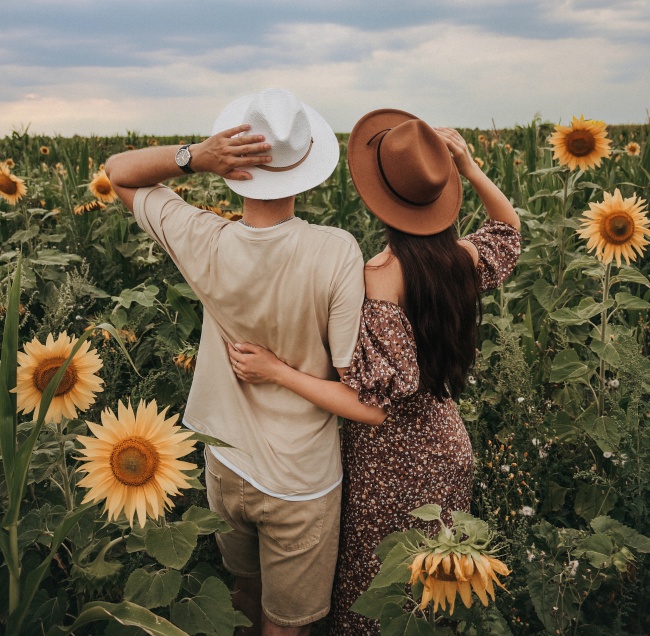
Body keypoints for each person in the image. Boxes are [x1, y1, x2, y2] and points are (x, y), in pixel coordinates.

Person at [227, 110, 522, 635]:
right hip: (447, 448)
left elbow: (373, 408)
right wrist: (472, 169)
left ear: (376, 199)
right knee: (432, 586)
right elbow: (509, 231)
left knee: (374, 593)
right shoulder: (460, 259)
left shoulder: (376, 280)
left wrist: (276, 370)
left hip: (388, 464)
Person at [104, 88, 365, 636]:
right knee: (285, 625)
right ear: (307, 166)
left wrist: (196, 156)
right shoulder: (336, 250)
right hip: (300, 480)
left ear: (235, 162)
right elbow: (354, 385)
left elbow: (119, 173)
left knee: (242, 595)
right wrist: (282, 372)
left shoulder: (203, 238)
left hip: (227, 466)